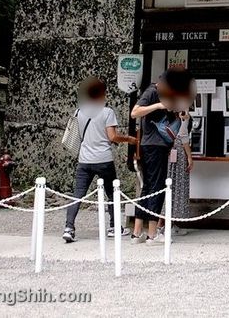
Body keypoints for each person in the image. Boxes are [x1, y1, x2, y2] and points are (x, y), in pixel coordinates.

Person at [62, 77, 137, 243]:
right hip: (103, 159)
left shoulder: (80, 111)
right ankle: (113, 227)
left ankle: (69, 227)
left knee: (78, 195)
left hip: (84, 159)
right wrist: (129, 140)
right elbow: (113, 137)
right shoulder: (107, 112)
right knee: (112, 193)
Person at [130, 67, 192, 244]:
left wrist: (181, 114)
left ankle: (137, 233)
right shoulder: (152, 92)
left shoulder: (165, 94)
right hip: (154, 145)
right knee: (156, 188)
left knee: (148, 187)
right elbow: (135, 112)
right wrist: (158, 105)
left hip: (157, 145)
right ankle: (152, 234)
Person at [163, 103, 194, 237]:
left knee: (169, 187)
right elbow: (183, 136)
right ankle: (165, 225)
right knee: (177, 187)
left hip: (167, 151)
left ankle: (170, 223)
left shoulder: (167, 111)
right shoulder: (183, 112)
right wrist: (189, 157)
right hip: (179, 152)